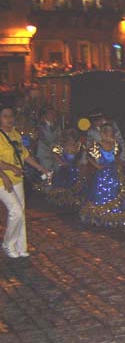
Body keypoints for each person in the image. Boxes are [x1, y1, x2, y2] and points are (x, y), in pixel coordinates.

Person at [0, 105, 51, 258]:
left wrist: (42, 168)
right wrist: (8, 171)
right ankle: (8, 243)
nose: (9, 119)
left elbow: (25, 155)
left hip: (17, 178)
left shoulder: (15, 134)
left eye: (11, 115)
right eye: (5, 116)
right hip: (2, 179)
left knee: (21, 212)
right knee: (15, 211)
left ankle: (21, 246)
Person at [79, 124, 125, 227]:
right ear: (103, 134)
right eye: (108, 134)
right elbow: (88, 156)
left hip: (113, 172)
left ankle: (113, 212)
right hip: (101, 173)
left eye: (111, 134)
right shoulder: (97, 146)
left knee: (114, 190)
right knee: (100, 192)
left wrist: (119, 167)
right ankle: (100, 213)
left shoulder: (115, 145)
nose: (110, 136)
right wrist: (97, 165)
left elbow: (117, 158)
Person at [46, 128, 86, 210]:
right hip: (64, 168)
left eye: (72, 139)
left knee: (76, 183)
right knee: (63, 183)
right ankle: (62, 202)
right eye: (69, 139)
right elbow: (54, 153)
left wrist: (79, 164)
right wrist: (61, 162)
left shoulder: (77, 146)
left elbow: (80, 157)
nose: (71, 140)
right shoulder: (62, 146)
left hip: (74, 168)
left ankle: (72, 202)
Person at [36, 105, 61, 171]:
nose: (52, 115)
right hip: (44, 152)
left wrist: (56, 146)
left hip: (55, 152)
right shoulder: (40, 125)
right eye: (50, 113)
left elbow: (59, 137)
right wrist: (51, 145)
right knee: (46, 171)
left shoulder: (56, 125)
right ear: (45, 114)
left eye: (53, 113)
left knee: (56, 170)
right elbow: (42, 138)